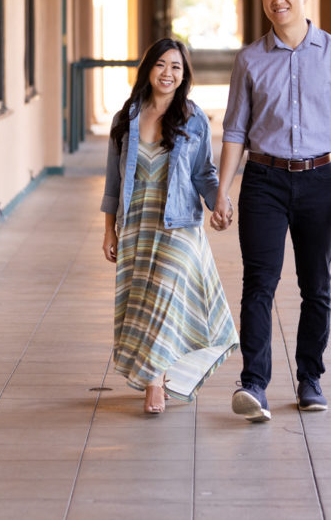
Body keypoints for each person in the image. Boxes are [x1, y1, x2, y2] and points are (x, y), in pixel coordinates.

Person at [211, 0, 331, 422]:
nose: (276, 0)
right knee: (259, 283)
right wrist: (223, 191)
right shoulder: (250, 59)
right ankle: (254, 384)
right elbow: (236, 129)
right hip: (263, 180)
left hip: (320, 180)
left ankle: (310, 378)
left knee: (315, 285)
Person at [101, 38, 239, 415]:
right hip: (138, 224)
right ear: (149, 68)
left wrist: (219, 201)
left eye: (176, 67)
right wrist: (109, 229)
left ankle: (155, 381)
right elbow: (113, 182)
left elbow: (204, 174)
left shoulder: (194, 118)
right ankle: (154, 375)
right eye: (161, 64)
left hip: (179, 223)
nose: (168, 73)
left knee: (165, 295)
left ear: (184, 75)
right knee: (143, 302)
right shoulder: (125, 118)